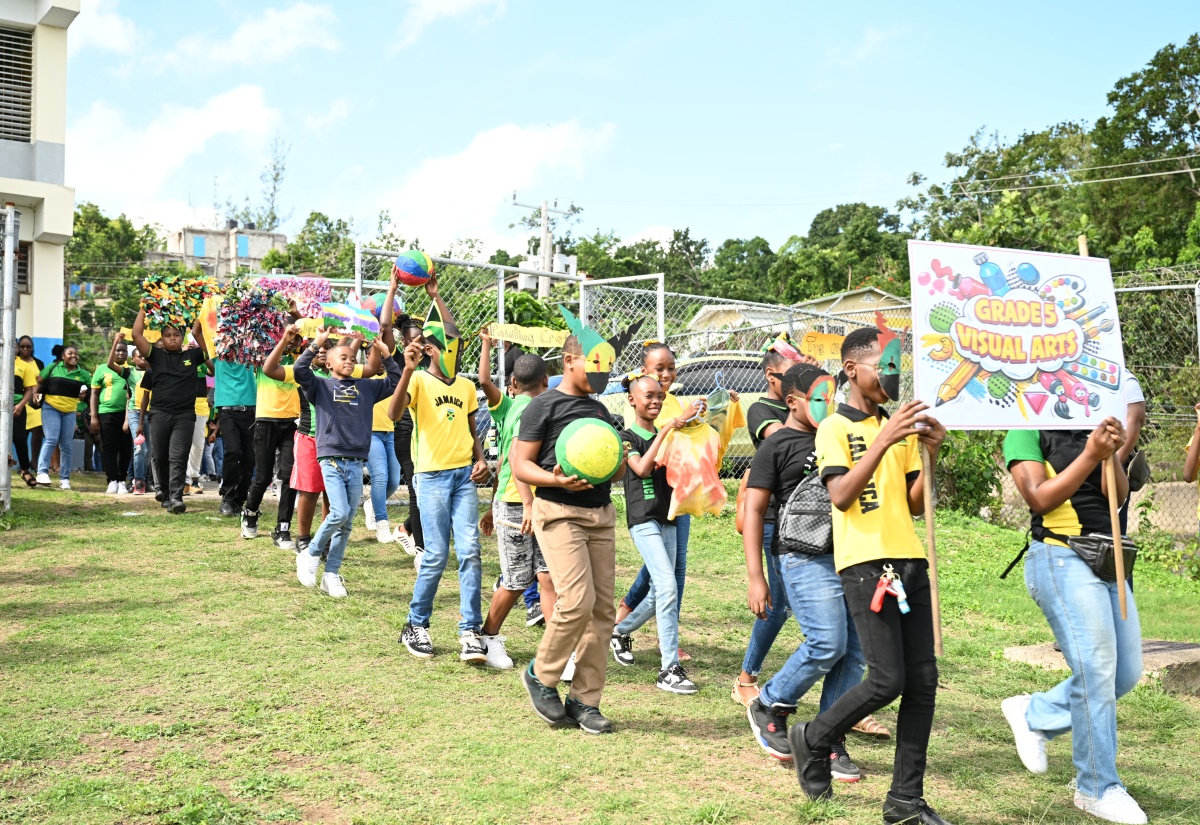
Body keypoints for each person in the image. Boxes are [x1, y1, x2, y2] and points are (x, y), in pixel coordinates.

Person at [788, 326, 951, 825]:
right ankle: (813, 737)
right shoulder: (834, 428)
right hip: (866, 564)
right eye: (884, 365)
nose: (892, 376)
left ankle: (905, 801)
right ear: (853, 370)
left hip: (910, 559)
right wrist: (884, 437)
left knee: (923, 680)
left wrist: (931, 454)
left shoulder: (896, 429)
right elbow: (841, 495)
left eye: (898, 367)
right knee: (886, 679)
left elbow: (915, 503)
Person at [1001, 418, 1144, 825]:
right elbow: (1038, 498)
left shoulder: (1093, 427)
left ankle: (1035, 714)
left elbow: (1115, 498)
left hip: (1108, 558)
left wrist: (1109, 453)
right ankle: (1096, 786)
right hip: (1060, 557)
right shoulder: (1026, 428)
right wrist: (1090, 455)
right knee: (1096, 669)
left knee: (1126, 673)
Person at [742, 363, 865, 782]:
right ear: (792, 401)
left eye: (831, 396)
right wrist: (756, 576)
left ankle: (828, 737)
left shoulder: (843, 437)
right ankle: (769, 702)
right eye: (817, 397)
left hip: (853, 554)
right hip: (801, 554)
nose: (826, 404)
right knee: (827, 641)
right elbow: (755, 508)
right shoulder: (776, 446)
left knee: (856, 652)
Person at [512, 328, 628, 735]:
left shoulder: (600, 411)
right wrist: (556, 480)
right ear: (569, 361)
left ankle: (584, 699)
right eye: (596, 363)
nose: (602, 372)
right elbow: (521, 465)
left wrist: (617, 461)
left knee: (601, 612)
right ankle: (541, 675)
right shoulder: (542, 406)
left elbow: (610, 473)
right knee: (576, 601)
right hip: (558, 511)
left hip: (599, 513)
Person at [392, 278, 490, 662]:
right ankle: (416, 624)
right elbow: (393, 413)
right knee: (435, 554)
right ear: (431, 349)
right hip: (430, 477)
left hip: (463, 476)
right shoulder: (416, 378)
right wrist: (406, 371)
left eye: (458, 345)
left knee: (470, 552)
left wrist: (480, 459)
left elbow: (470, 429)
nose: (456, 349)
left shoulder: (465, 386)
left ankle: (470, 630)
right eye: (448, 345)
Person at [292, 327, 398, 597]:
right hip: (331, 460)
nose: (349, 361)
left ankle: (332, 574)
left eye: (353, 358)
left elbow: (396, 383)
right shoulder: (320, 386)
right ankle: (311, 553)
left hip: (355, 463)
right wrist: (316, 343)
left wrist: (386, 355)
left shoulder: (367, 387)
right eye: (343, 357)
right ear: (328, 363)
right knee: (338, 513)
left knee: (347, 523)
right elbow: (299, 370)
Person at [610, 373, 698, 693]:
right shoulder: (626, 437)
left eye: (660, 397)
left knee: (664, 590)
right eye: (649, 396)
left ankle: (620, 630)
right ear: (632, 399)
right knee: (666, 586)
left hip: (669, 518)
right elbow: (642, 469)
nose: (656, 402)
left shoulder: (668, 434)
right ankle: (669, 669)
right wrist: (668, 429)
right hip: (644, 520)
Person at [475, 332, 554, 670]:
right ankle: (487, 636)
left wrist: (486, 345)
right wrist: (520, 505)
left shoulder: (506, 405)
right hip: (519, 505)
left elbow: (481, 380)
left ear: (512, 383)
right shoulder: (540, 408)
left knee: (547, 575)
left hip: (525, 503)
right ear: (547, 381)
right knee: (518, 579)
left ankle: (557, 649)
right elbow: (515, 460)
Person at [731, 342, 799, 705]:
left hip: (808, 519)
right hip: (773, 516)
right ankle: (746, 678)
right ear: (772, 376)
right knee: (780, 602)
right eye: (793, 372)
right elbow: (782, 438)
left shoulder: (812, 406)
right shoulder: (762, 408)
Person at [129, 309, 206, 514]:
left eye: (176, 335)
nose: (172, 339)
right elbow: (137, 335)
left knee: (178, 455)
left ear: (182, 337)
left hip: (184, 415)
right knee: (160, 455)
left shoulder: (193, 355)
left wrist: (199, 319)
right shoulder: (156, 356)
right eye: (168, 335)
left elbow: (211, 358)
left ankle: (176, 497)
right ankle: (163, 489)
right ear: (161, 338)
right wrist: (144, 309)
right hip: (160, 414)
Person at [242, 333, 301, 549]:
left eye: (296, 338)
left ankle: (282, 527)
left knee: (289, 476)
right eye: (288, 337)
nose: (292, 341)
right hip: (265, 422)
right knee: (263, 475)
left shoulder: (300, 360)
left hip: (290, 424)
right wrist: (284, 339)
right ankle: (250, 513)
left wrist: (297, 321)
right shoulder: (262, 357)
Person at [363, 274, 404, 544]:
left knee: (393, 481)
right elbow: (381, 331)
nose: (377, 357)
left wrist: (391, 291)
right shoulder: (363, 375)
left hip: (391, 432)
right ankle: (382, 522)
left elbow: (387, 325)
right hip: (370, 434)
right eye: (372, 354)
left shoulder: (391, 373)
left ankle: (371, 506)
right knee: (379, 477)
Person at [290, 334, 337, 558]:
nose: (321, 350)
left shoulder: (340, 376)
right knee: (309, 491)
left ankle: (324, 539)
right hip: (309, 439)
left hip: (335, 443)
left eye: (327, 347)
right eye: (317, 347)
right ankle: (304, 538)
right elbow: (299, 366)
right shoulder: (307, 375)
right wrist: (315, 342)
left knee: (331, 492)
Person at [34, 344, 90, 489]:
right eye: (70, 353)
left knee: (67, 446)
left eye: (76, 354)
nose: (74, 356)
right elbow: (39, 380)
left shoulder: (83, 374)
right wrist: (35, 394)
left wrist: (86, 395)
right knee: (51, 439)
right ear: (63, 356)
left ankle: (64, 479)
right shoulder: (53, 368)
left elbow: (92, 389)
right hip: (50, 407)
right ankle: (42, 473)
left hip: (70, 411)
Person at [392, 314, 425, 558]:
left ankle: (405, 529)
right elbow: (383, 328)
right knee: (416, 491)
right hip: (405, 432)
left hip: (428, 434)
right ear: (403, 341)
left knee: (426, 491)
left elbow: (451, 333)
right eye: (413, 340)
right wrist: (392, 287)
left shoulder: (431, 359)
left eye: (422, 339)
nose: (418, 344)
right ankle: (422, 549)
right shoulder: (396, 359)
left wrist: (435, 296)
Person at [92, 333, 132, 494]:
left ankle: (122, 480)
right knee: (109, 448)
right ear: (113, 351)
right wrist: (94, 416)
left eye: (124, 351)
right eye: (118, 350)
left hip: (127, 415)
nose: (121, 353)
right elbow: (94, 393)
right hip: (106, 413)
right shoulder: (102, 368)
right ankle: (112, 480)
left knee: (125, 448)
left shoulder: (130, 370)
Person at [12, 337, 39, 488]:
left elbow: (29, 390)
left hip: (17, 406)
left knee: (20, 438)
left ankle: (25, 470)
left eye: (14, 345)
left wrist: (21, 405)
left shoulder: (24, 365)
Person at [122, 347, 150, 494]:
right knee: (139, 447)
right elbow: (110, 365)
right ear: (133, 359)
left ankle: (143, 478)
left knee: (149, 450)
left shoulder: (154, 370)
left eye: (145, 356)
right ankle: (138, 481)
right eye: (139, 356)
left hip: (152, 413)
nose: (143, 359)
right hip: (135, 412)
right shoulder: (129, 372)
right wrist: (126, 419)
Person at [17, 336, 45, 482]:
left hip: (35, 401)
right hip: (19, 400)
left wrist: (36, 395)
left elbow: (42, 380)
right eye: (22, 346)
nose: (25, 349)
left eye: (28, 346)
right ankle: (23, 463)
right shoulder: (14, 362)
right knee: (21, 434)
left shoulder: (38, 363)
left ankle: (34, 460)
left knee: (38, 430)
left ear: (32, 347)